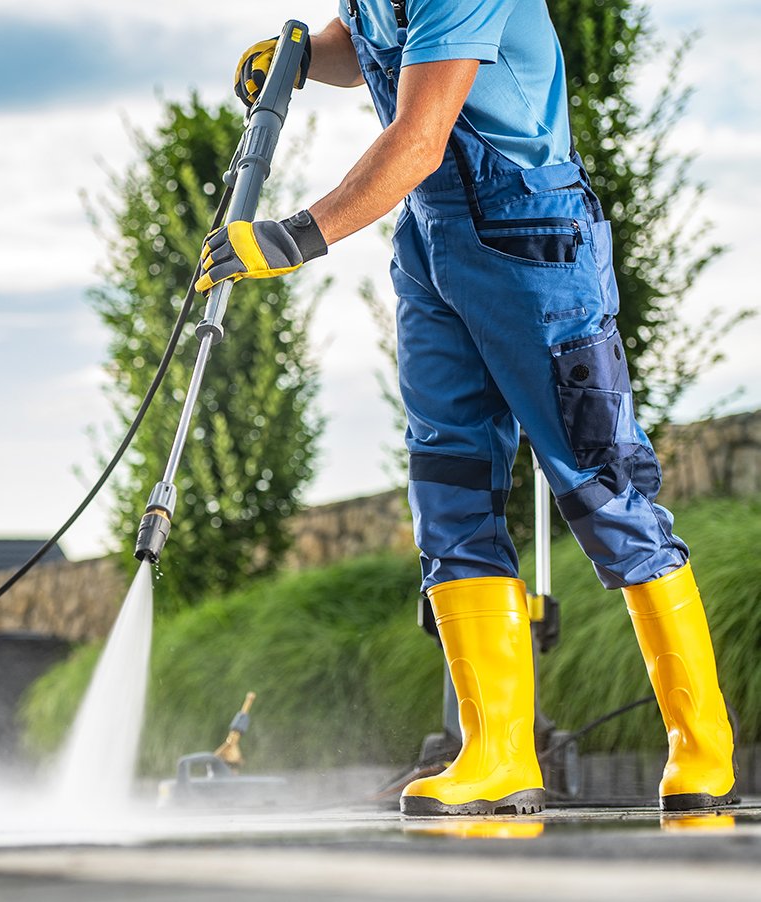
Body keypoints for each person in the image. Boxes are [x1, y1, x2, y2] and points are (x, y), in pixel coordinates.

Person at [195, 0, 737, 816]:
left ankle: (702, 748)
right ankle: (495, 753)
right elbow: (370, 46)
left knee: (602, 488)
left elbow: (417, 136)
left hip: (531, 236)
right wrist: (305, 59)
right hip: (432, 243)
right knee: (448, 491)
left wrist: (295, 236)